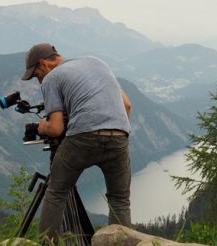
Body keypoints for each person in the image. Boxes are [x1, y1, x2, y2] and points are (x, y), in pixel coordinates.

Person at [21, 43, 133, 241]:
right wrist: (113, 131)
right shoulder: (97, 62)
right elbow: (127, 105)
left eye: (36, 75)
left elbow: (56, 128)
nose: (38, 80)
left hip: (83, 137)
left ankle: (50, 244)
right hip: (120, 135)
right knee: (120, 200)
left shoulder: (51, 79)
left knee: (56, 191)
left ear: (43, 64)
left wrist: (41, 127)